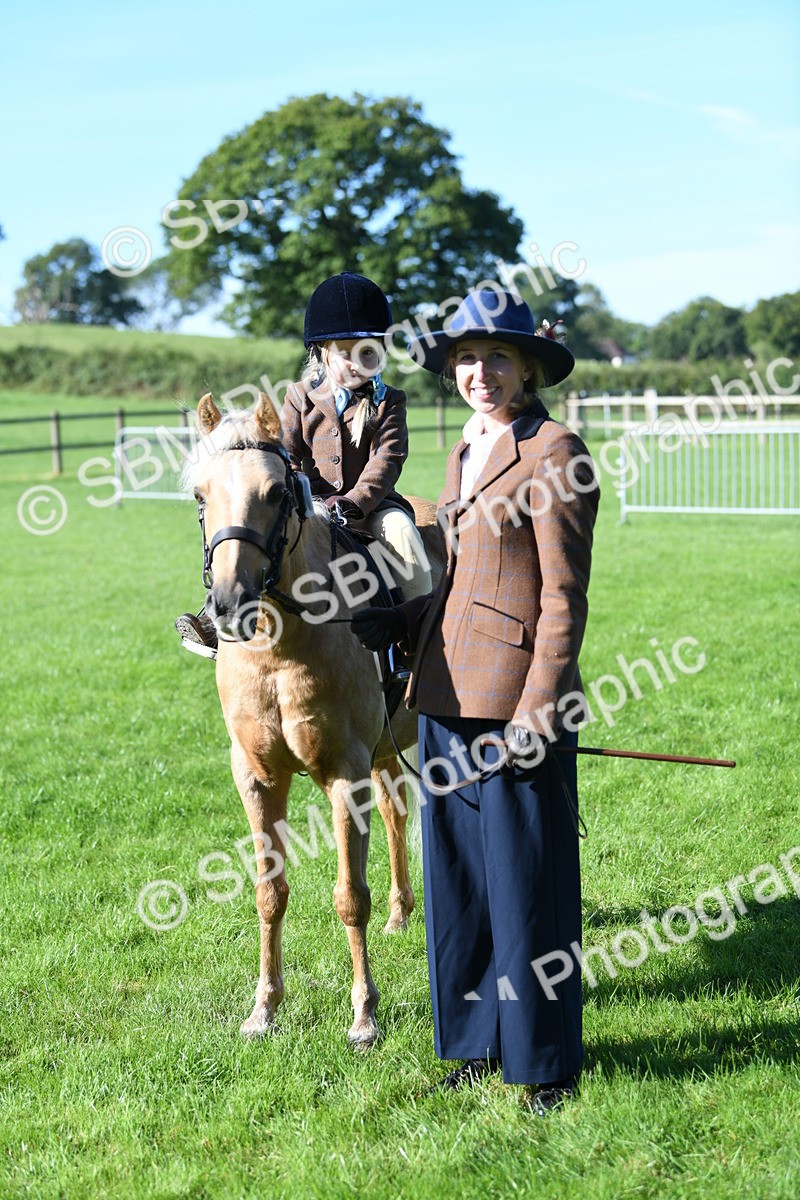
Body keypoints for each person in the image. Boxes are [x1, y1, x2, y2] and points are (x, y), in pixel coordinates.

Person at [351, 289, 600, 1114]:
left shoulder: (557, 451)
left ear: (529, 367)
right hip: (445, 692)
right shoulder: (462, 454)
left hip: (518, 707)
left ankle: (542, 1063)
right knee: (459, 882)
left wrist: (540, 709)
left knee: (527, 885)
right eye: (465, 359)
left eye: (497, 357)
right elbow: (458, 577)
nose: (480, 374)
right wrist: (398, 619)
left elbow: (563, 597)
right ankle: (473, 1044)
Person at [176, 272, 431, 658]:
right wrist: (308, 499)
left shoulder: (390, 401)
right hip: (312, 506)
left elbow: (388, 457)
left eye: (367, 352)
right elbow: (288, 455)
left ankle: (418, 638)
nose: (356, 362)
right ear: (321, 353)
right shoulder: (299, 397)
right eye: (345, 352)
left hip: (372, 509)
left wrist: (353, 503)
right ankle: (218, 618)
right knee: (257, 537)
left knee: (405, 538)